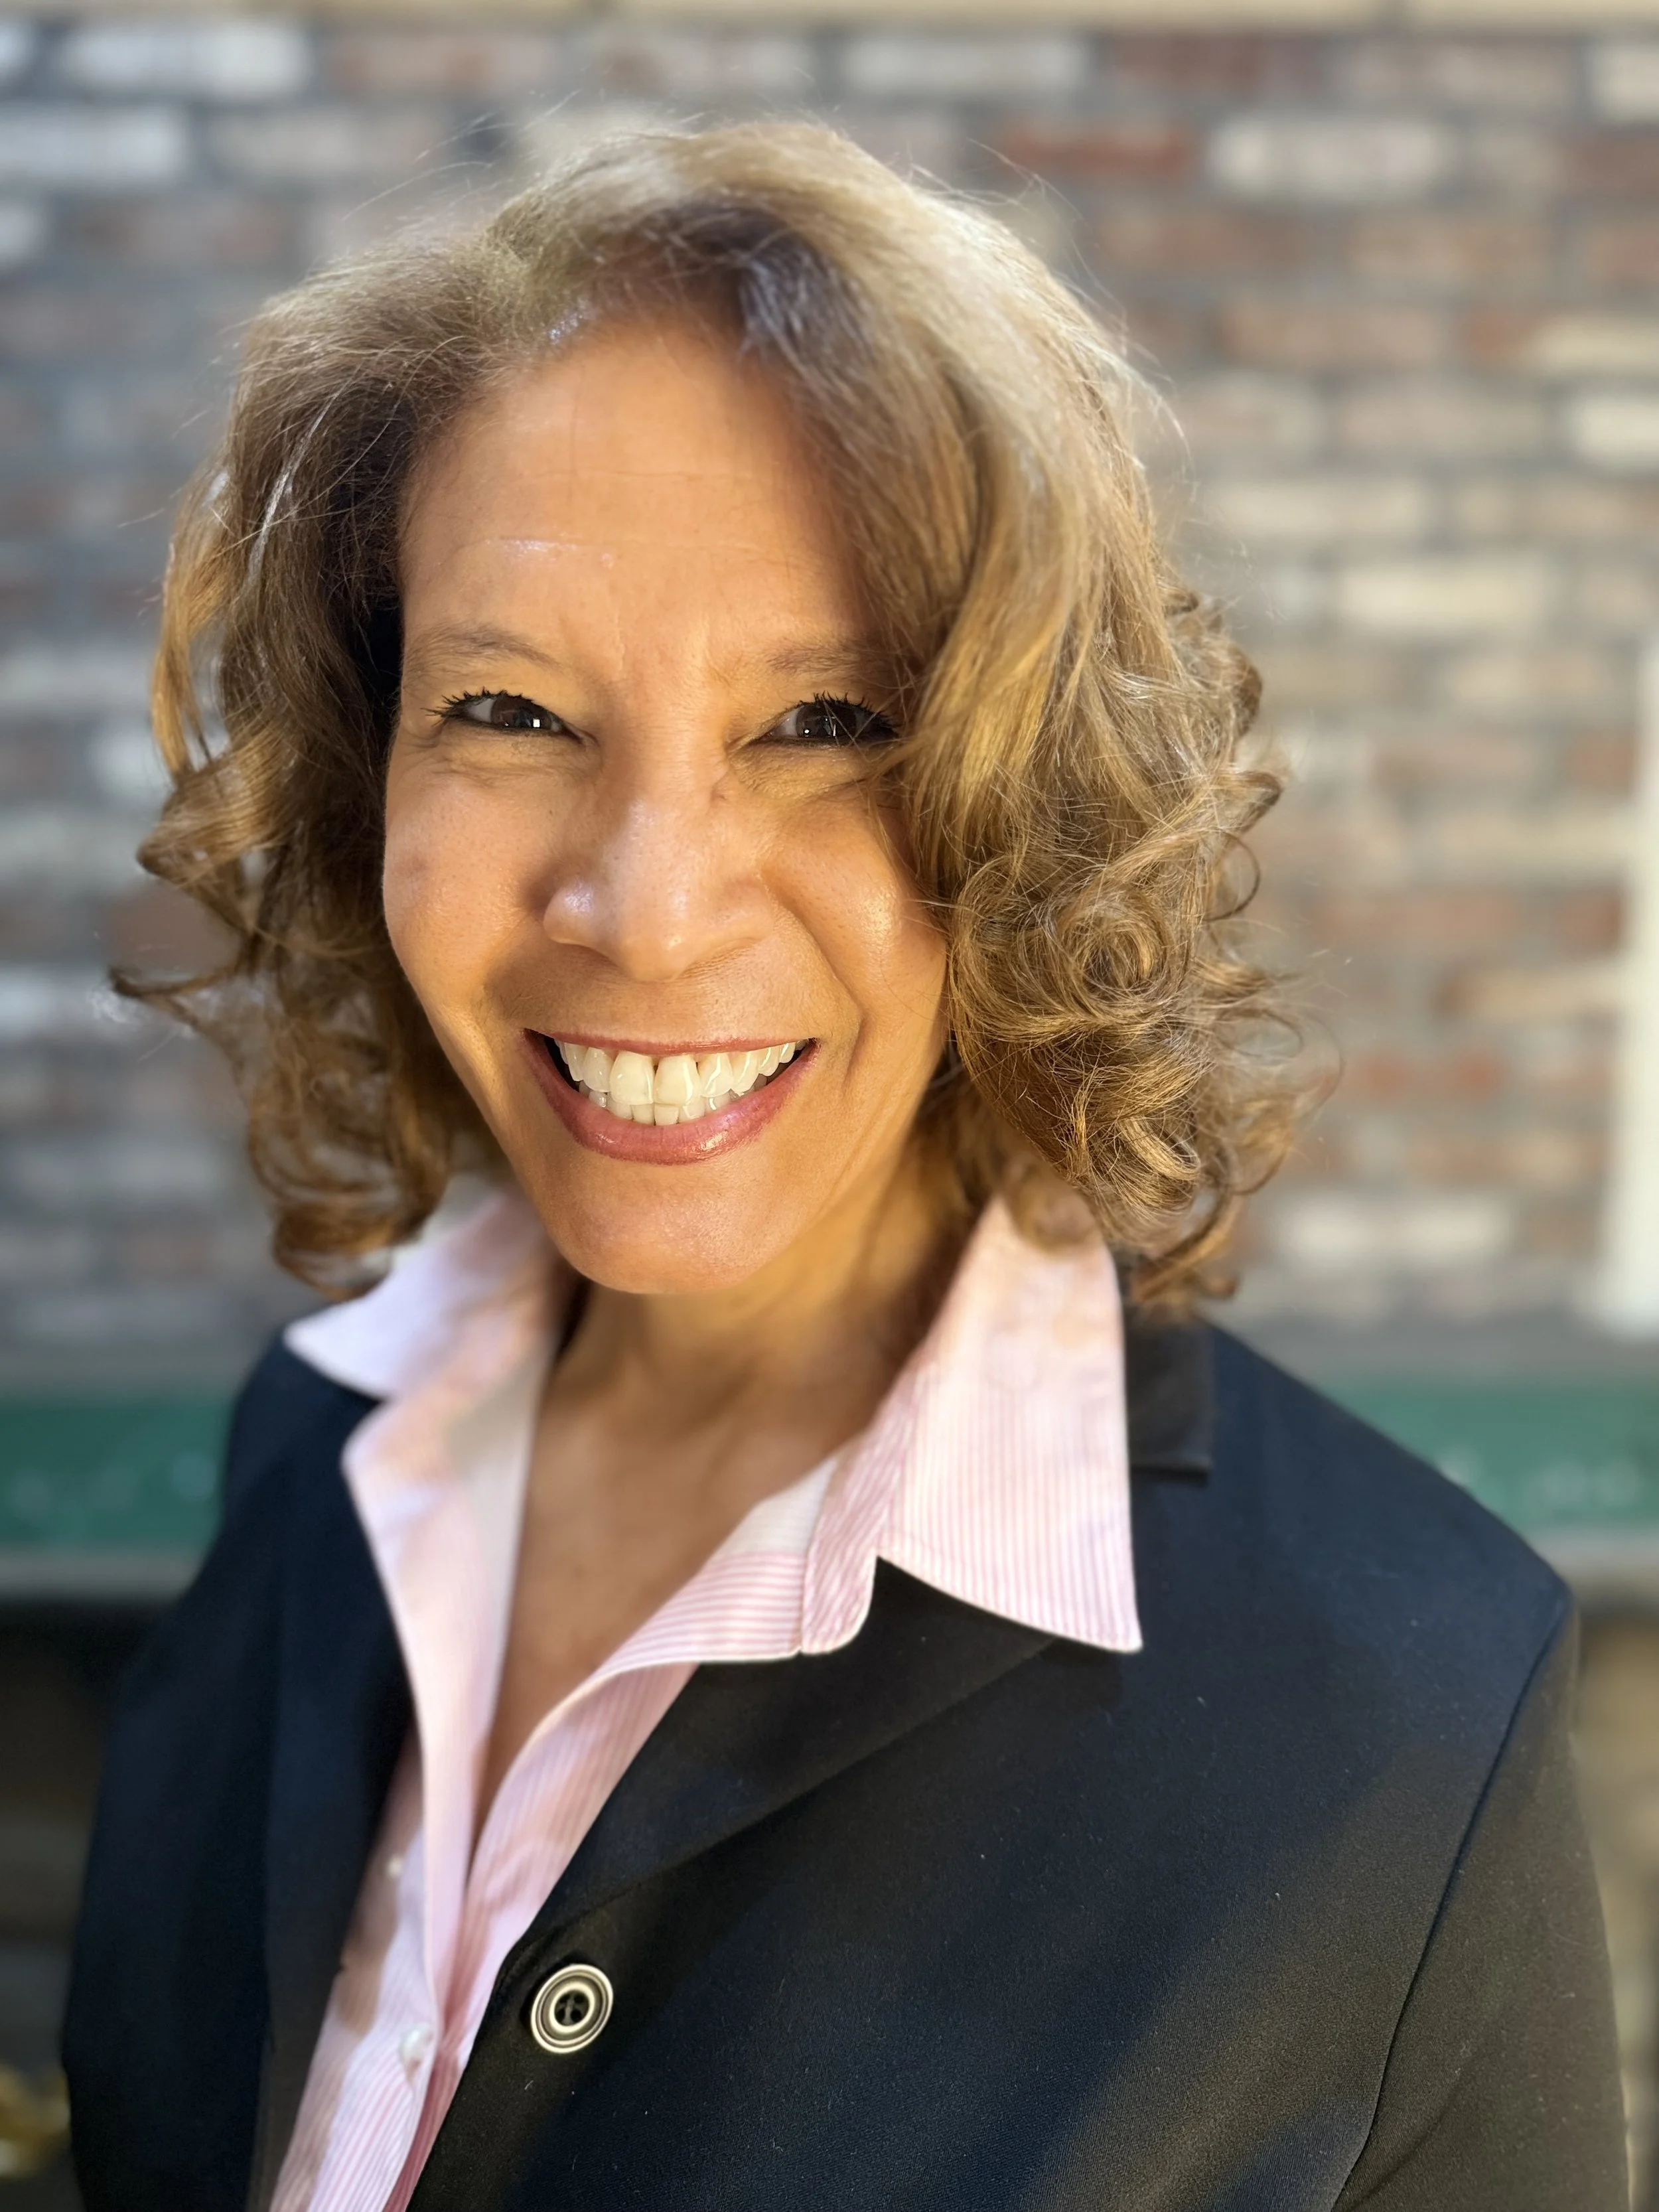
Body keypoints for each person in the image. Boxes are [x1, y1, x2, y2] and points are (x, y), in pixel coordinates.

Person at [65, 125, 1624, 2212]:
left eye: (825, 723)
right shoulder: (320, 1447)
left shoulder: (1403, 1726)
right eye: (512, 709)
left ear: (1029, 805)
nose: (646, 906)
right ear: (373, 778)